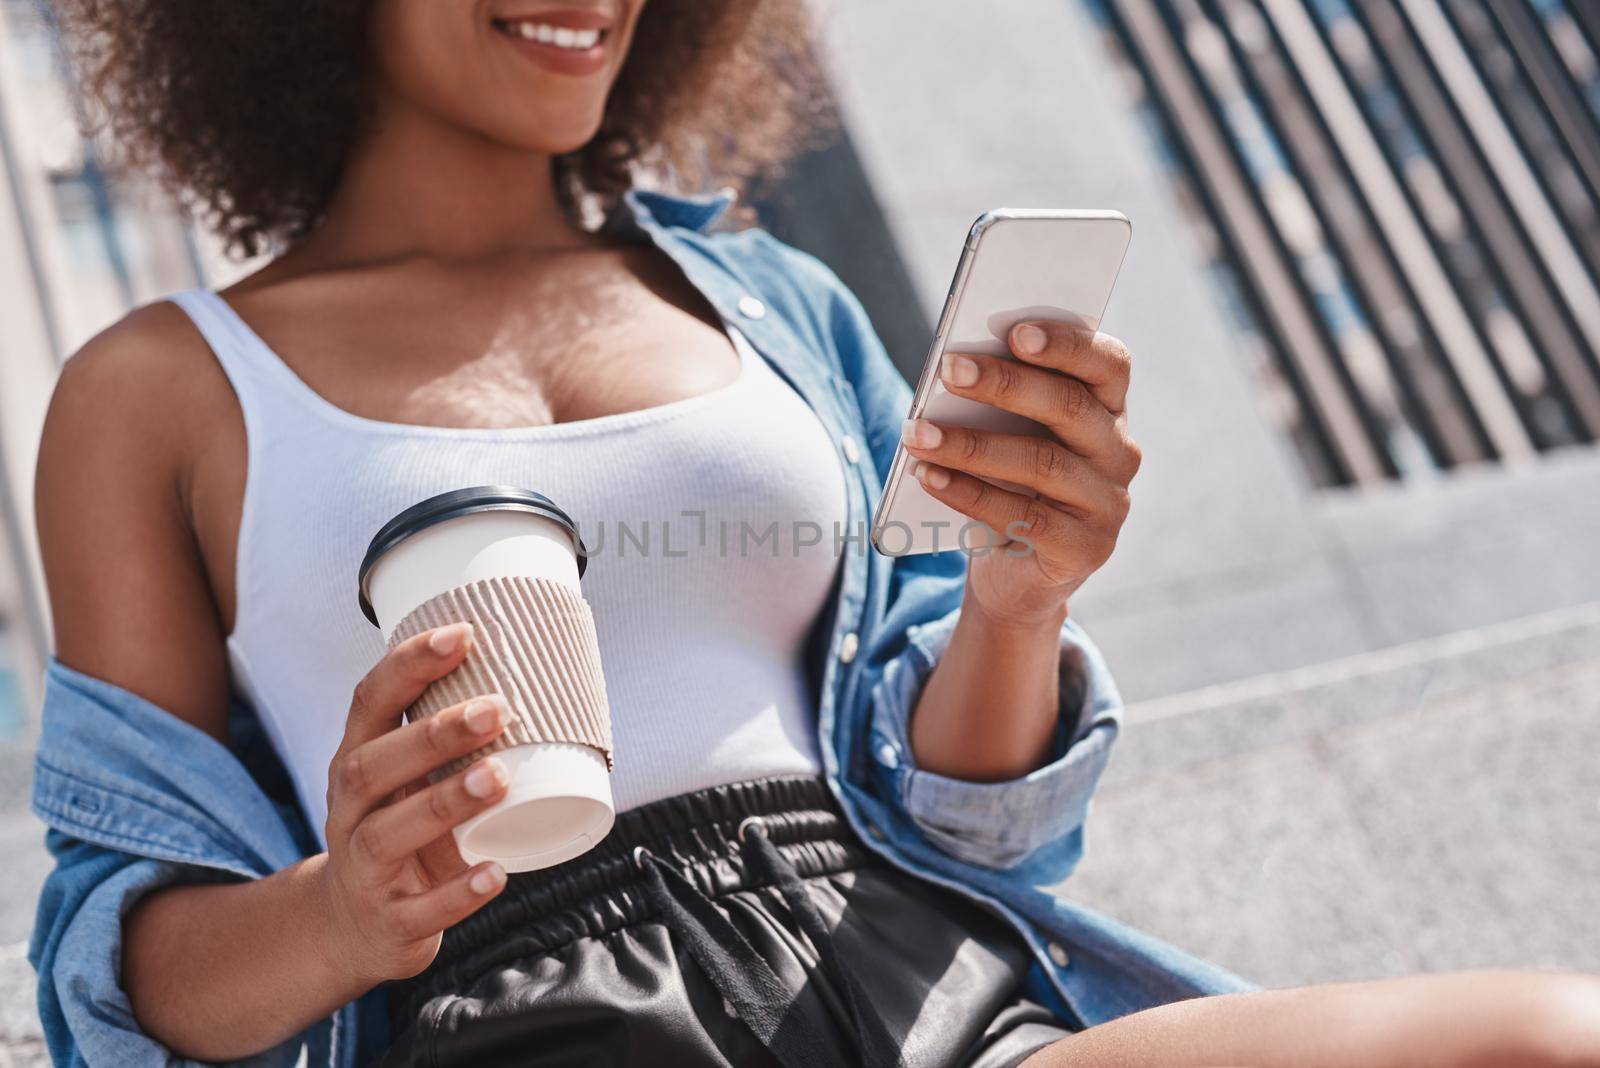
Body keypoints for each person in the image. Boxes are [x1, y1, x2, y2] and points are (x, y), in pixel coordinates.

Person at [27, 1, 1600, 1065]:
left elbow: (975, 826)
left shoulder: (770, 301)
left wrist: (1016, 602)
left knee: (1545, 1036)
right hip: (510, 1006)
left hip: (912, 968)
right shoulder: (159, 390)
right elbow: (120, 956)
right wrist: (339, 908)